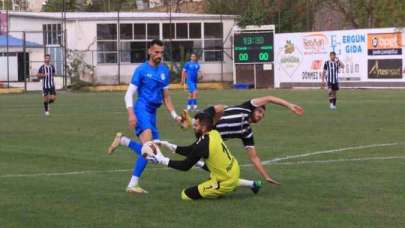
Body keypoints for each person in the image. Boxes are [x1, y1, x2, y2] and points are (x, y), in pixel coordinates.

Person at [107, 39, 183, 194]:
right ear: (149, 51)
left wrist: (175, 116)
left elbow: (166, 97)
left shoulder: (164, 71)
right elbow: (128, 94)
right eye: (156, 52)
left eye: (161, 52)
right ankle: (132, 185)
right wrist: (131, 114)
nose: (159, 55)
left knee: (151, 152)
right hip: (142, 109)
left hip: (153, 112)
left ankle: (123, 141)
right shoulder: (141, 70)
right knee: (149, 148)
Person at [182, 95, 304, 186]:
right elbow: (269, 98)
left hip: (209, 140)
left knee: (220, 166)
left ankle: (191, 125)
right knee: (222, 107)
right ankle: (193, 121)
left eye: (263, 115)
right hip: (209, 122)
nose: (261, 115)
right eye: (259, 111)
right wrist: (289, 105)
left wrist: (266, 176)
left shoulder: (247, 133)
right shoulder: (246, 107)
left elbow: (254, 157)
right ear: (254, 108)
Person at [146, 112, 244, 200]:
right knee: (212, 175)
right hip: (233, 169)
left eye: (196, 125)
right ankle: (235, 183)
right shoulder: (213, 133)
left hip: (224, 180)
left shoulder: (204, 144)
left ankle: (226, 188)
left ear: (204, 127)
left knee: (185, 195)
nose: (194, 127)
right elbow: (191, 150)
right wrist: (168, 145)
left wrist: (162, 159)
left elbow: (185, 166)